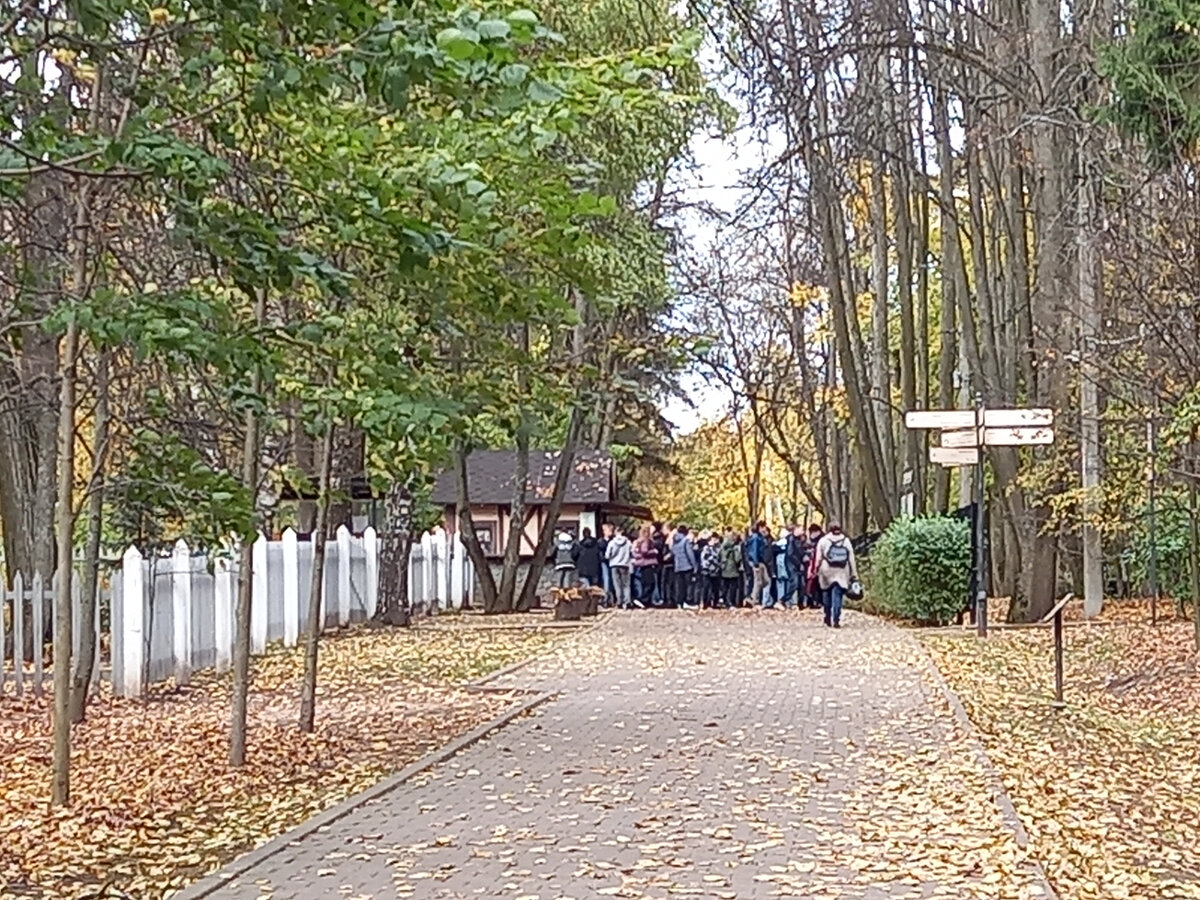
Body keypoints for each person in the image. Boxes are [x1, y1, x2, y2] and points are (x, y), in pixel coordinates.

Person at [814, 523, 857, 628]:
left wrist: (815, 569)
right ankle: (836, 619)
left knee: (826, 593)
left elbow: (818, 557)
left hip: (826, 570)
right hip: (842, 571)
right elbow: (851, 558)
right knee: (837, 594)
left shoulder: (823, 541)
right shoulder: (846, 541)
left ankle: (827, 617)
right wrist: (854, 574)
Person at [605, 524, 633, 609]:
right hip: (625, 564)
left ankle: (619, 602)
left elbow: (607, 555)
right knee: (626, 584)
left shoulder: (612, 543)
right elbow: (631, 552)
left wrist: (612, 557)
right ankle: (627, 601)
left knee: (617, 584)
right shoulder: (628, 542)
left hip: (614, 565)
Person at [670, 524, 698, 610]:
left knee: (679, 586)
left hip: (678, 566)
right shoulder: (686, 541)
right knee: (688, 585)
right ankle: (688, 601)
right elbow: (690, 554)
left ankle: (679, 602)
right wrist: (695, 565)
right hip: (687, 566)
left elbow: (673, 552)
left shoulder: (674, 541)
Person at [632, 524, 658, 609]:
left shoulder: (639, 541)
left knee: (645, 583)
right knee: (650, 583)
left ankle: (645, 601)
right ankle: (643, 600)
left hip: (642, 564)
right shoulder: (646, 541)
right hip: (647, 563)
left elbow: (636, 552)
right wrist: (654, 551)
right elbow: (644, 551)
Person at [745, 521, 769, 606]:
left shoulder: (760, 537)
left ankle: (753, 597)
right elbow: (754, 550)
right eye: (763, 527)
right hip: (757, 562)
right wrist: (755, 563)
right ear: (760, 527)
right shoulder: (756, 537)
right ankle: (752, 599)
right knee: (758, 581)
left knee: (766, 581)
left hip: (761, 561)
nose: (765, 529)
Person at [720, 529, 743, 608]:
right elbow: (737, 559)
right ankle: (732, 602)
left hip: (724, 568)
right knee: (733, 587)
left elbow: (718, 556)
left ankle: (725, 601)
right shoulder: (735, 548)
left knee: (725, 586)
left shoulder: (723, 546)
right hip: (733, 570)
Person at [804, 523, 824, 608]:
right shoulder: (813, 541)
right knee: (813, 585)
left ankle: (817, 601)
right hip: (812, 565)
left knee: (816, 585)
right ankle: (813, 601)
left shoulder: (821, 540)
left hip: (817, 565)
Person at [700, 532, 722, 609]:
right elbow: (704, 559)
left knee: (715, 588)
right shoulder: (706, 548)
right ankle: (705, 603)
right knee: (706, 587)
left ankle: (715, 603)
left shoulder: (719, 548)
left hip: (716, 571)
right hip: (707, 571)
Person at [771, 529, 791, 608]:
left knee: (780, 584)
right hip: (786, 566)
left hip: (779, 566)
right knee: (788, 583)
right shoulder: (789, 543)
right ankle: (787, 601)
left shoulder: (775, 545)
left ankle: (780, 600)